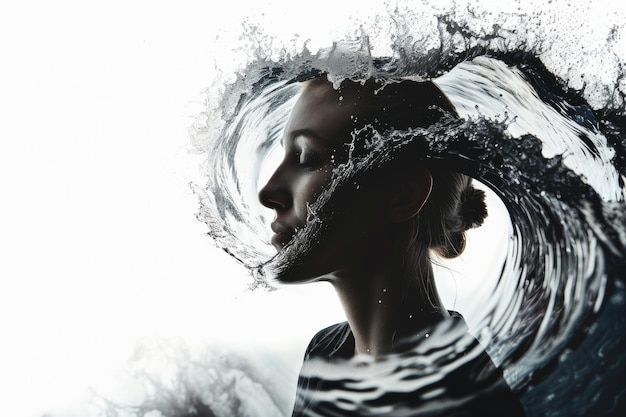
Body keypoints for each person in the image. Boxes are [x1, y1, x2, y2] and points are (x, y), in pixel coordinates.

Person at [258, 76, 526, 416]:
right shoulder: (324, 353)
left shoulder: (464, 400)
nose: (268, 192)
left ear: (403, 195)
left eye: (309, 157)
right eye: (285, 155)